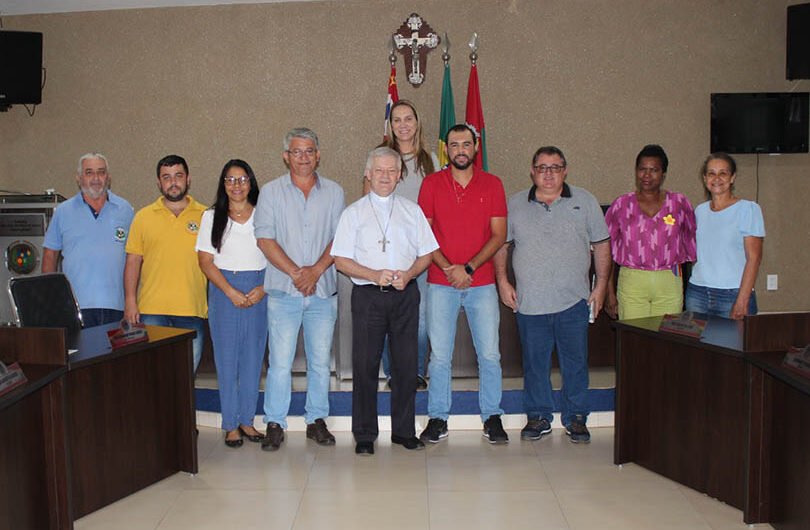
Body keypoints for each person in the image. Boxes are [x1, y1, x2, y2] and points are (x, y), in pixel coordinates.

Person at [495, 146, 610, 444]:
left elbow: (602, 245)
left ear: (565, 170)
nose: (548, 173)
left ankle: (576, 418)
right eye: (542, 168)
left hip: (574, 301)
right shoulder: (515, 204)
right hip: (530, 302)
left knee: (575, 362)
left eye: (555, 167)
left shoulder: (584, 201)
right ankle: (538, 415)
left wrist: (600, 286)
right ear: (532, 171)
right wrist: (503, 281)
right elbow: (501, 245)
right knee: (534, 364)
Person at [333, 147, 438, 455]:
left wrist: (410, 274)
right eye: (379, 170)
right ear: (368, 173)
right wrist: (372, 273)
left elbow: (427, 253)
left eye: (391, 171)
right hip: (368, 296)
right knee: (365, 365)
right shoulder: (353, 213)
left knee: (406, 366)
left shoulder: (411, 210)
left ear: (399, 175)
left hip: (406, 294)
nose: (385, 176)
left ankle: (404, 431)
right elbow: (340, 260)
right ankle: (364, 434)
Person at [417, 124, 509, 445]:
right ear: (447, 149)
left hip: (481, 283)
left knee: (490, 354)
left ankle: (492, 416)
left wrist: (467, 267)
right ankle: (438, 418)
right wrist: (449, 268)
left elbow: (498, 235)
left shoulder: (493, 184)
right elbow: (423, 236)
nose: (460, 150)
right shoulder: (431, 184)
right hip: (440, 283)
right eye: (454, 144)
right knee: (439, 356)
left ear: (475, 147)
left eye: (466, 144)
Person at [254, 128, 345, 451]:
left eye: (309, 151)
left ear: (318, 155)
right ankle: (275, 423)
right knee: (280, 361)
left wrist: (316, 271)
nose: (303, 157)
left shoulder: (334, 192)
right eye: (297, 151)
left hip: (322, 292)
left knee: (320, 361)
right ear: (285, 156)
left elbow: (340, 238)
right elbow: (264, 238)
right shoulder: (269, 192)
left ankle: (315, 420)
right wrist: (297, 273)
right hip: (283, 291)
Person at [366, 100, 439, 390]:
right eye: (397, 119)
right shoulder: (377, 157)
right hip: (384, 254)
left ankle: (415, 372)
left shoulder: (431, 160)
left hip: (419, 254)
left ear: (417, 123)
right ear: (390, 125)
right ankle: (394, 373)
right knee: (386, 319)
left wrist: (422, 249)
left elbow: (437, 206)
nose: (403, 124)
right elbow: (367, 204)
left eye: (409, 118)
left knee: (419, 320)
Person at [196, 160, 267, 448]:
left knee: (253, 358)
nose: (236, 186)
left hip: (260, 289)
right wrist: (230, 291)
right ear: (223, 184)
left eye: (242, 179)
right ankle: (230, 424)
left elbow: (277, 254)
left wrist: (263, 288)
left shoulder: (265, 214)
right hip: (224, 290)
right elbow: (205, 261)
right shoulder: (212, 216)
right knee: (226, 360)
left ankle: (247, 421)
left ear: (251, 182)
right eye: (230, 180)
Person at [124, 154, 207, 372]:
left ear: (188, 179)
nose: (173, 182)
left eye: (178, 175)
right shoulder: (143, 217)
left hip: (192, 309)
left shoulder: (206, 216)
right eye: (167, 177)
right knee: (154, 376)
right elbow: (133, 261)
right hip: (152, 310)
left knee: (186, 376)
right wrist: (130, 301)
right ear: (159, 183)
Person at [604, 145, 696, 320]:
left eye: (654, 170)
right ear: (636, 171)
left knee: (666, 340)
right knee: (634, 340)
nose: (647, 175)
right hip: (632, 282)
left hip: (669, 281)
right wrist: (609, 292)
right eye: (642, 169)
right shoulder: (621, 205)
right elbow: (607, 251)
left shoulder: (679, 203)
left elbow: (691, 243)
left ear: (663, 174)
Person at [42, 152, 134, 327]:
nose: (96, 178)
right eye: (89, 172)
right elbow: (49, 256)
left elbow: (134, 258)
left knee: (114, 355)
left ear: (108, 177)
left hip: (117, 307)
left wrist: (132, 301)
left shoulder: (125, 210)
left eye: (101, 172)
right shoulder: (63, 212)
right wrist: (50, 300)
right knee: (78, 354)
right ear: (79, 178)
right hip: (75, 306)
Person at [685, 153, 765, 319]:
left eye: (723, 173)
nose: (717, 178)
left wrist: (742, 300)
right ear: (705, 178)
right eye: (712, 173)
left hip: (732, 295)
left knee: (733, 345)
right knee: (698, 346)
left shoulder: (748, 209)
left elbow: (754, 258)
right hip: (697, 293)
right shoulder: (699, 211)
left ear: (732, 177)